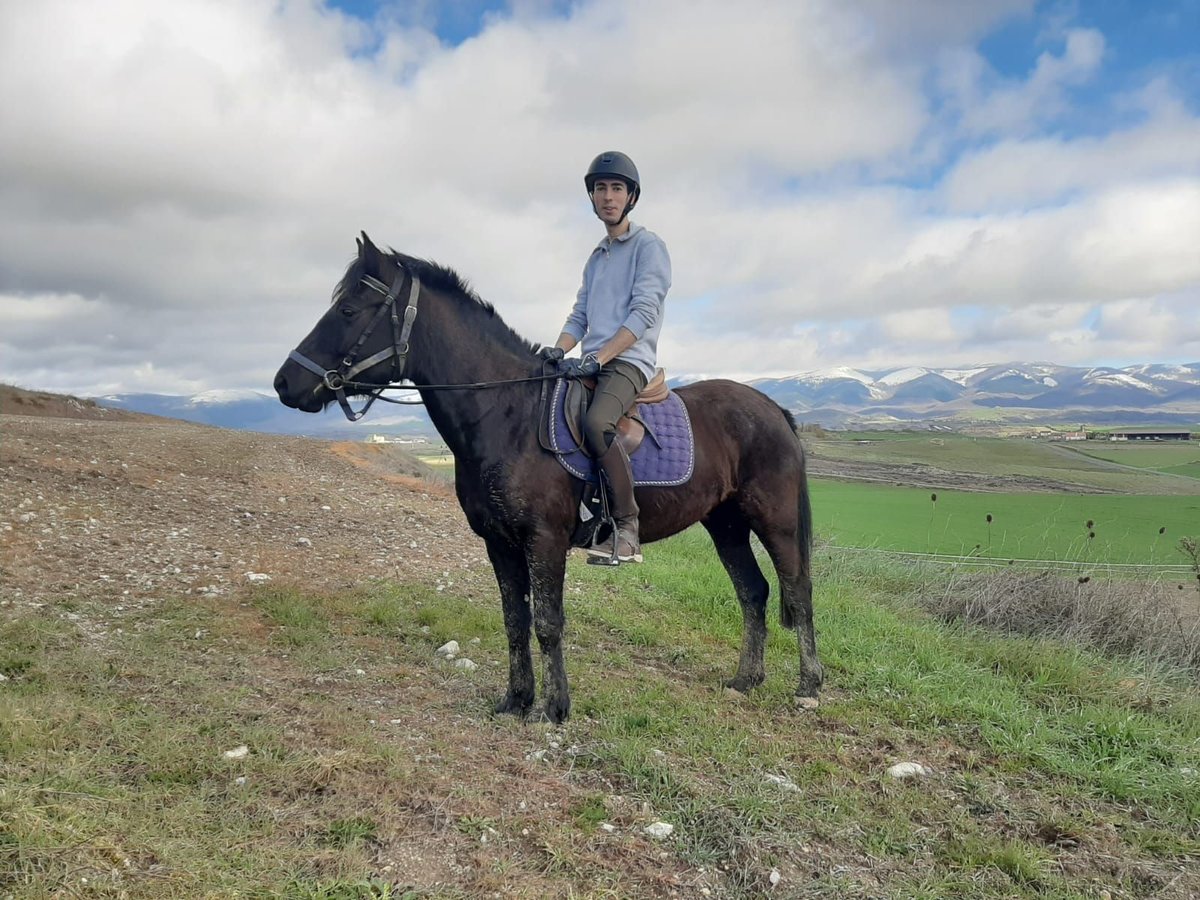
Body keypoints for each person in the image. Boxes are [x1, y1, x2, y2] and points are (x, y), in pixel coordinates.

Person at [543, 151, 672, 564]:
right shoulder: (596, 257)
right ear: (593, 197)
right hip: (590, 360)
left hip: (628, 361)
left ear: (631, 197)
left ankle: (627, 528)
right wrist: (558, 349)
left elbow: (644, 312)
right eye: (601, 188)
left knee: (598, 424)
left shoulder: (648, 246)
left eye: (617, 188)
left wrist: (599, 357)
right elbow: (579, 314)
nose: (608, 196)